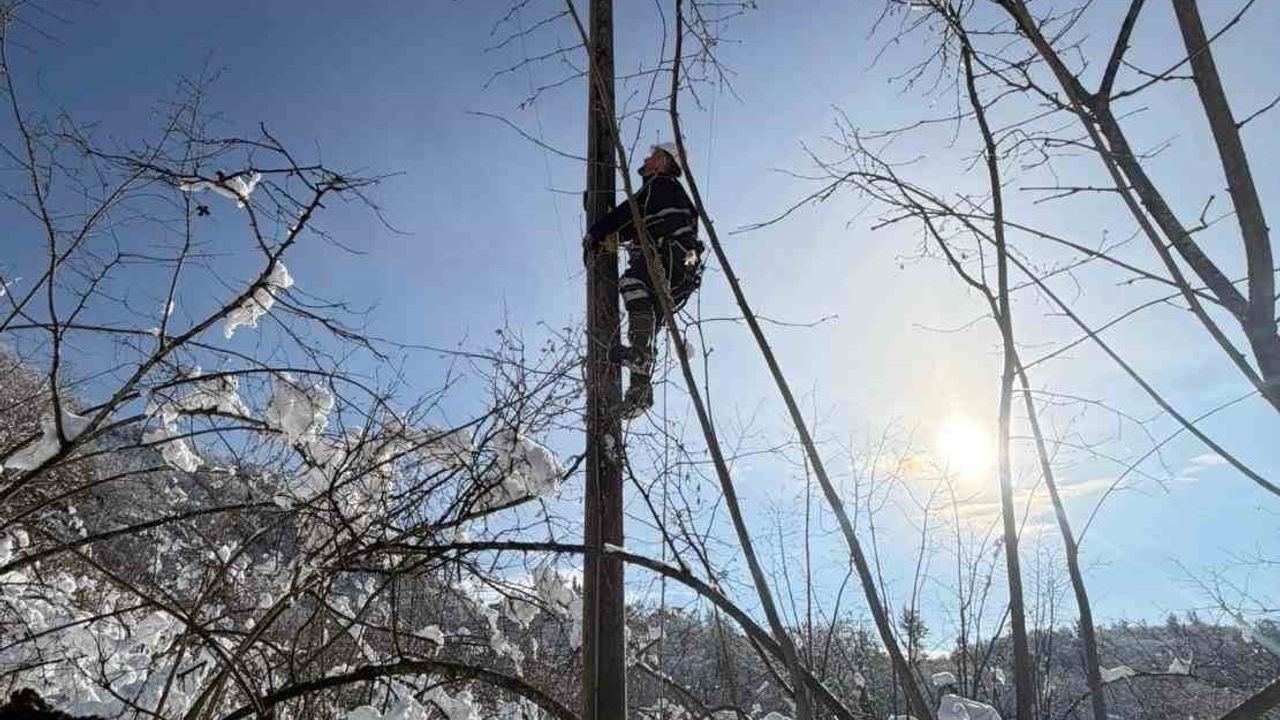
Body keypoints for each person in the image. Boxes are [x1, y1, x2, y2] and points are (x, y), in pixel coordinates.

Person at [582, 142, 703, 418]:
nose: (647, 159)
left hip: (669, 256)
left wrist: (596, 232)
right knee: (647, 319)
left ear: (663, 163)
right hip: (682, 270)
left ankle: (640, 359)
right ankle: (640, 390)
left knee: (631, 283)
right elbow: (634, 224)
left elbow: (628, 215)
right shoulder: (672, 194)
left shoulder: (660, 186)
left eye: (653, 156)